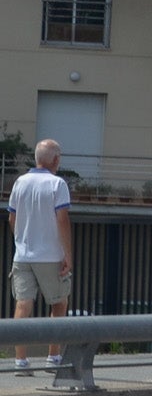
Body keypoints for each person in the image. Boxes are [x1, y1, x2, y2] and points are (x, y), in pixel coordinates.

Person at [8, 139, 73, 372]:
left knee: (23, 304)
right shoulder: (58, 184)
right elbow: (62, 220)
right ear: (55, 159)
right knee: (59, 303)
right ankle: (53, 357)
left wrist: (21, 240)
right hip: (50, 255)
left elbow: (12, 218)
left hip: (23, 255)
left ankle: (20, 360)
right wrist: (68, 255)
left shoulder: (20, 182)